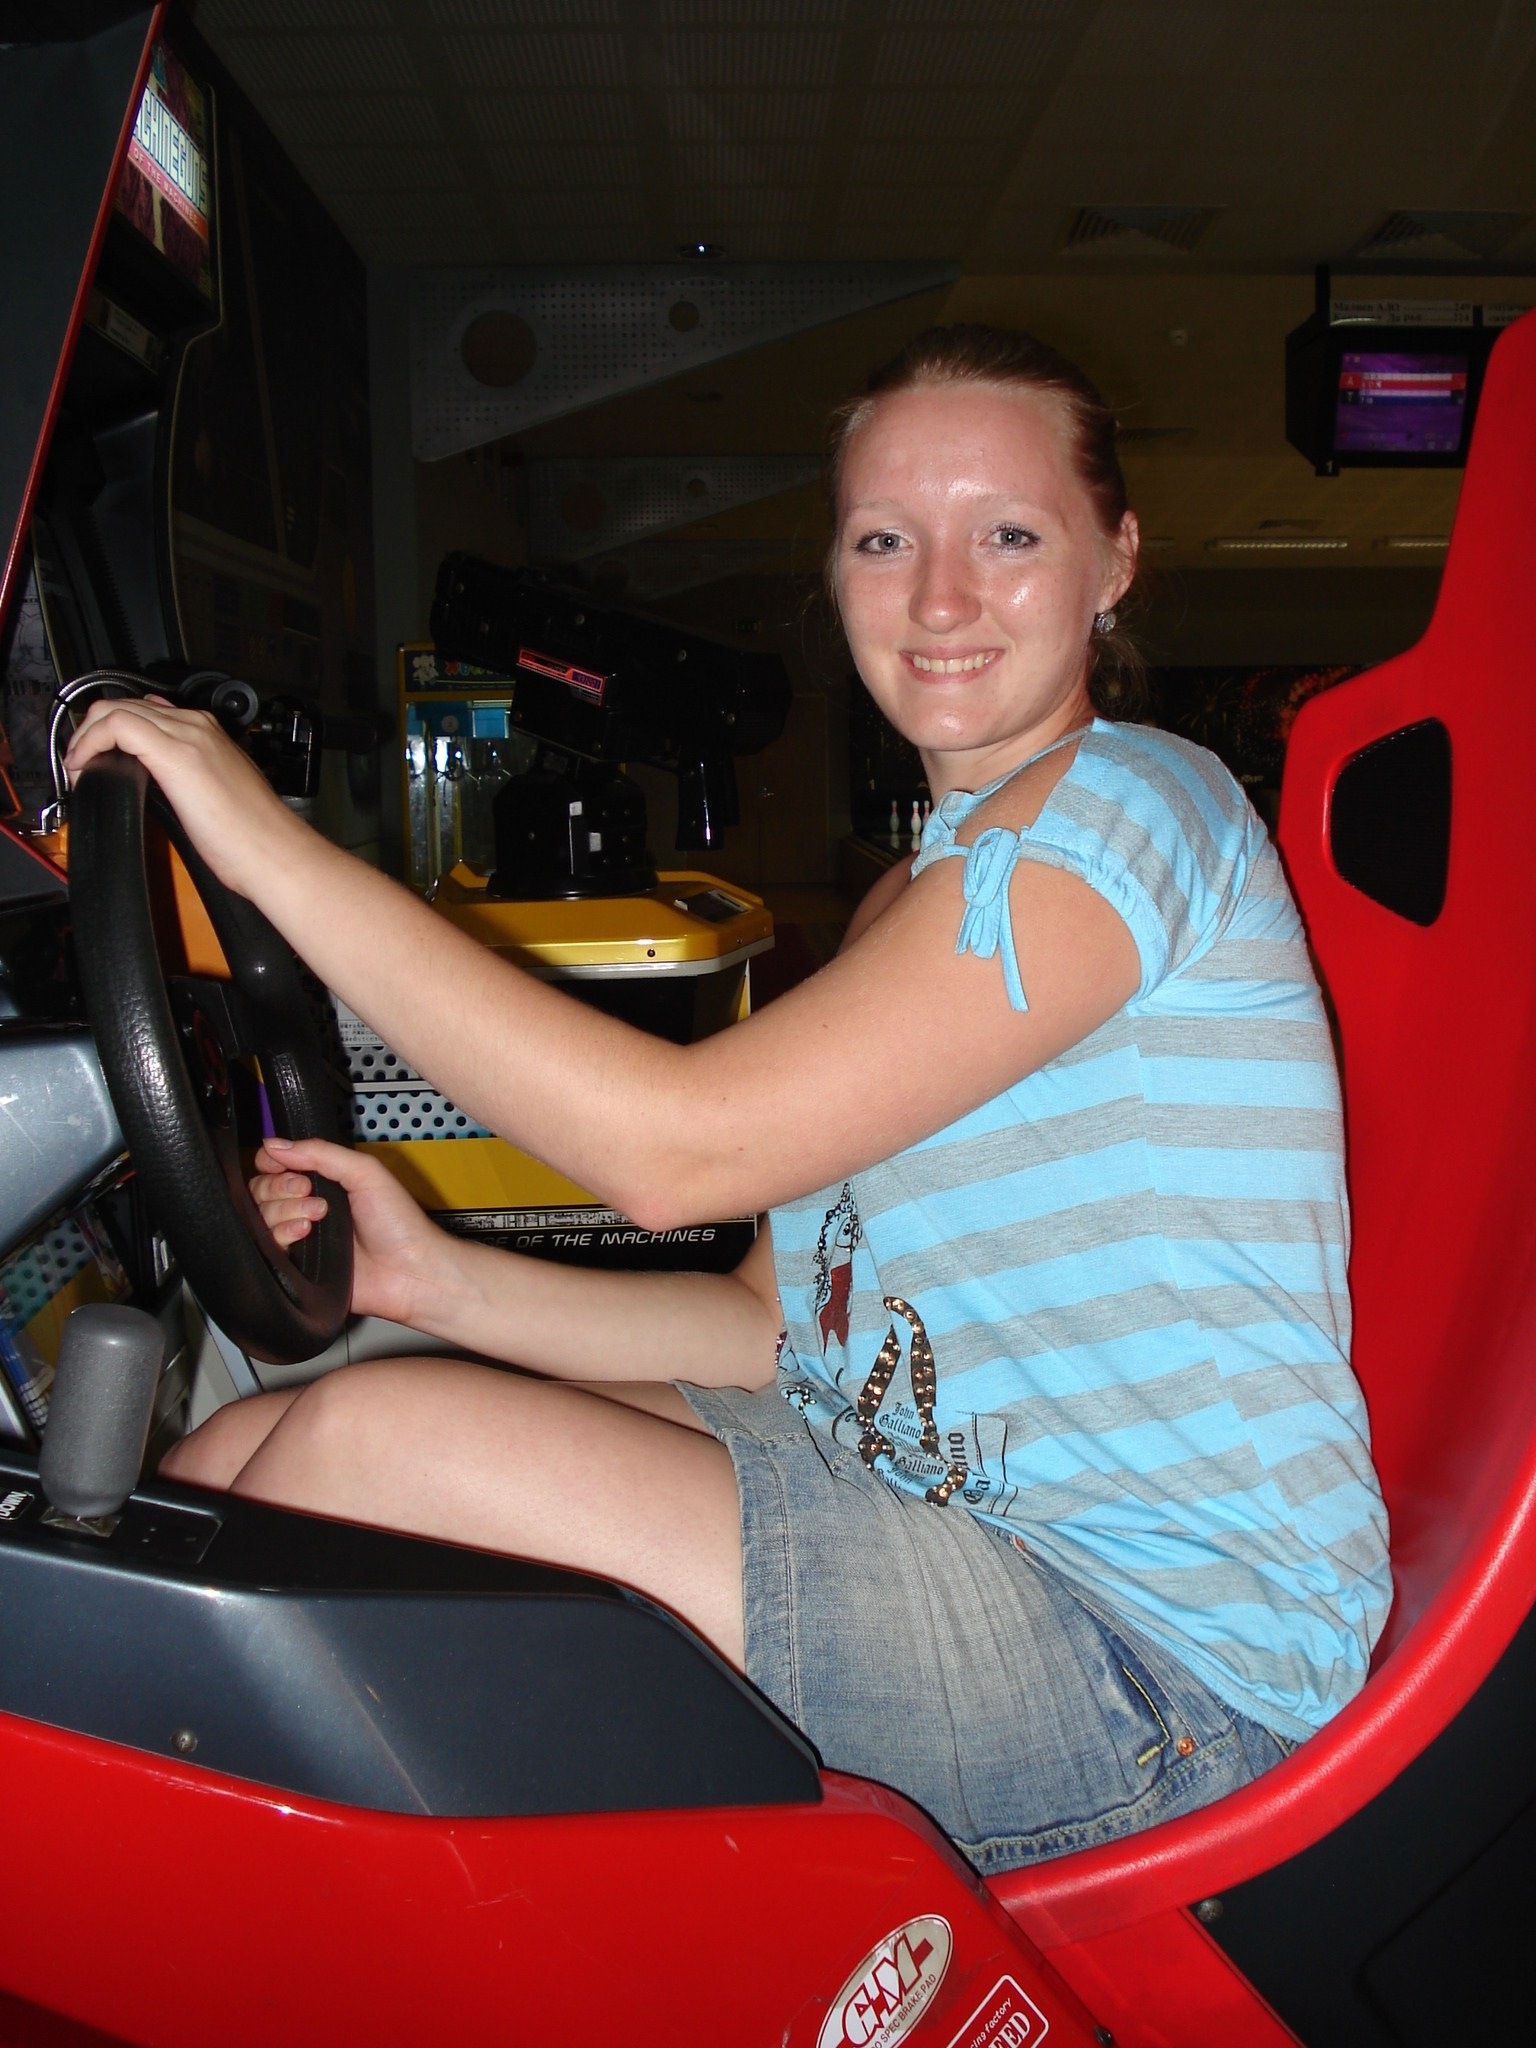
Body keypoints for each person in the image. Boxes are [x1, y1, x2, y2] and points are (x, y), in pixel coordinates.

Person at [64, 325, 1391, 1874]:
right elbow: (775, 1327)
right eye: (884, 540)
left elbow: (672, 1153)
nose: (940, 596)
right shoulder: (906, 903)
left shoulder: (1137, 807)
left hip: (1165, 1663)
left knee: (362, 1453)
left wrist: (258, 841)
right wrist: (434, 1280)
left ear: (1115, 561)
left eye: (1009, 537)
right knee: (236, 1468)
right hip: (919, 1502)